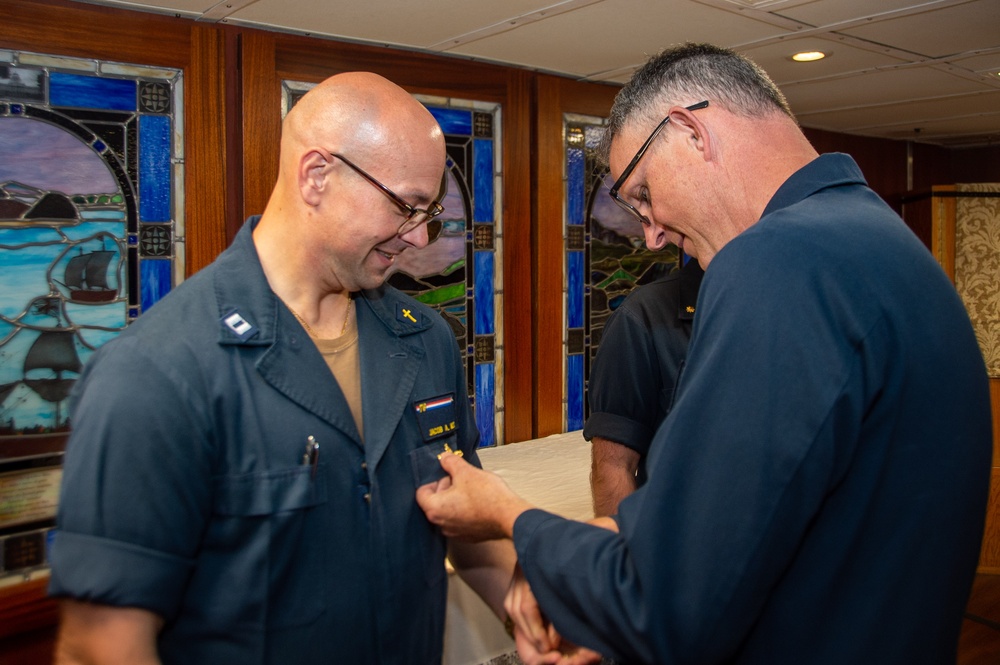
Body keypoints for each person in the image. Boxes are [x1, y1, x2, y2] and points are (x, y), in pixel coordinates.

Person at [417, 43, 993, 665]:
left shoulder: (778, 263)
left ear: (690, 131)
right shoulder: (891, 247)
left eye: (641, 194)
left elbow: (661, 604)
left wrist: (508, 514)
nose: (651, 232)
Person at [49, 72, 516, 665]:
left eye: (431, 213)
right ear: (316, 175)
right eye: (405, 206)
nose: (420, 237)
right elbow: (100, 645)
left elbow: (462, 515)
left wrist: (524, 607)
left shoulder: (425, 341)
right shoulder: (157, 372)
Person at [586, 255, 703, 517]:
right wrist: (625, 555)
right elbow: (614, 465)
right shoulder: (640, 317)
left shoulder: (794, 304)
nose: (653, 242)